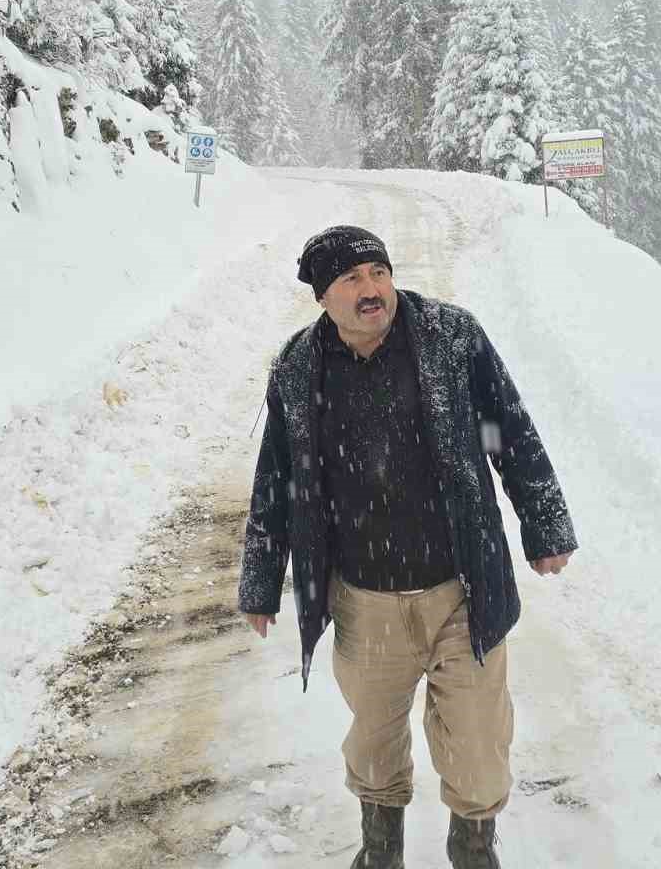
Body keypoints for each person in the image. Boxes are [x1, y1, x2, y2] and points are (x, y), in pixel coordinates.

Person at [237, 225, 577, 869]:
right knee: (372, 740)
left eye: (379, 273)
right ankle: (381, 851)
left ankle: (473, 849)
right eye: (352, 280)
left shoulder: (452, 337)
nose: (372, 290)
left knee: (478, 741)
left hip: (461, 588)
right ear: (322, 297)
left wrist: (546, 526)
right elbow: (275, 479)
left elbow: (510, 430)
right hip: (365, 599)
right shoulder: (297, 365)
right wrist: (260, 583)